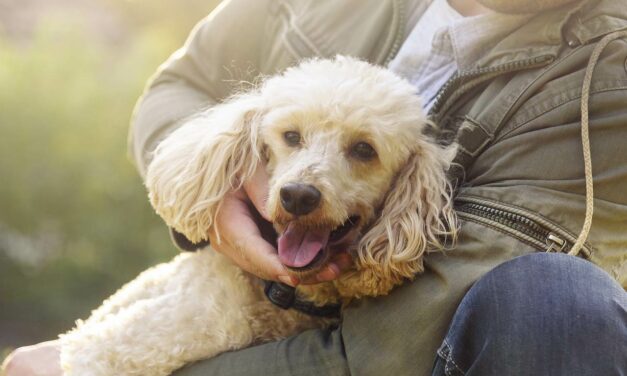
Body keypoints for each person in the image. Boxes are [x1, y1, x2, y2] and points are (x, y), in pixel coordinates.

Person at [3, 0, 626, 375]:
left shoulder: (608, 76)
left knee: (559, 299)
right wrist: (224, 194)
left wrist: (107, 364)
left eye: (363, 151)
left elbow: (392, 346)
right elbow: (182, 85)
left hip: (416, 356)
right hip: (216, 300)